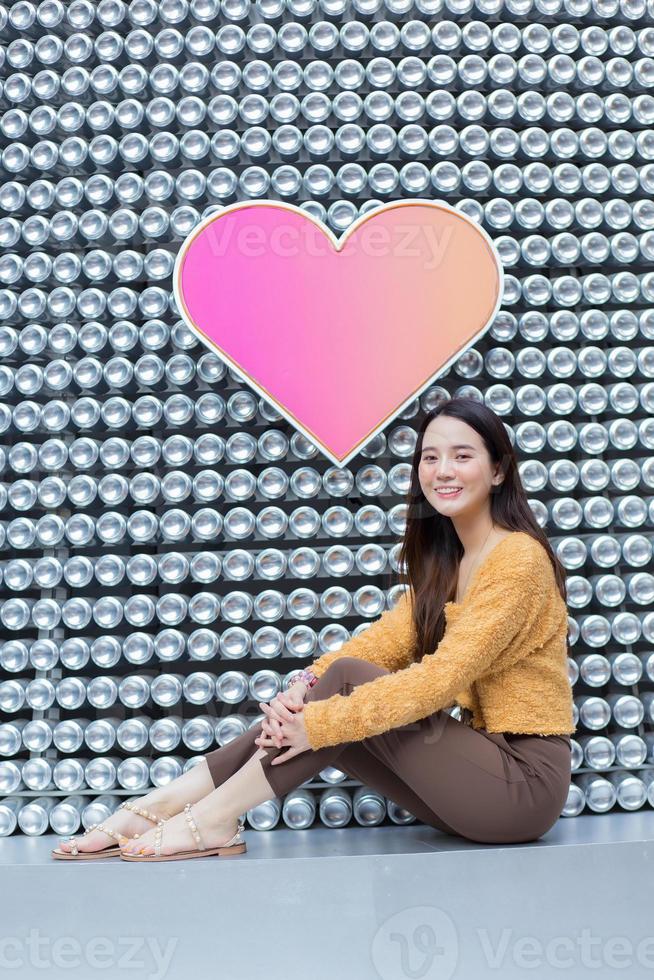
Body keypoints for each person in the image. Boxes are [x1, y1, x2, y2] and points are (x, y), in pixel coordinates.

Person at [52, 396, 575, 861]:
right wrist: (303, 687)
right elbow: (385, 642)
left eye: (463, 456)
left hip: (521, 786)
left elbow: (441, 678)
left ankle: (207, 817)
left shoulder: (518, 561)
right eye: (429, 456)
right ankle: (168, 804)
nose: (443, 470)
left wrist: (319, 721)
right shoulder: (450, 561)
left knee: (341, 696)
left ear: (500, 469)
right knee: (336, 690)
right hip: (474, 782)